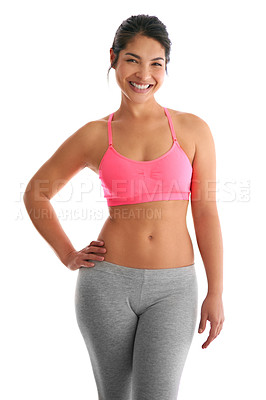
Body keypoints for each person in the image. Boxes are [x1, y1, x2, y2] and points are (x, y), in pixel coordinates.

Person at [23, 14, 225, 400]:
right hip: (107, 284)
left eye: (156, 63)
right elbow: (36, 193)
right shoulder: (96, 134)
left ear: (166, 68)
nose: (143, 74)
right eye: (132, 59)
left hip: (174, 288)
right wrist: (67, 254)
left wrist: (215, 291)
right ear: (113, 58)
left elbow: (206, 213)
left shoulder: (193, 129)